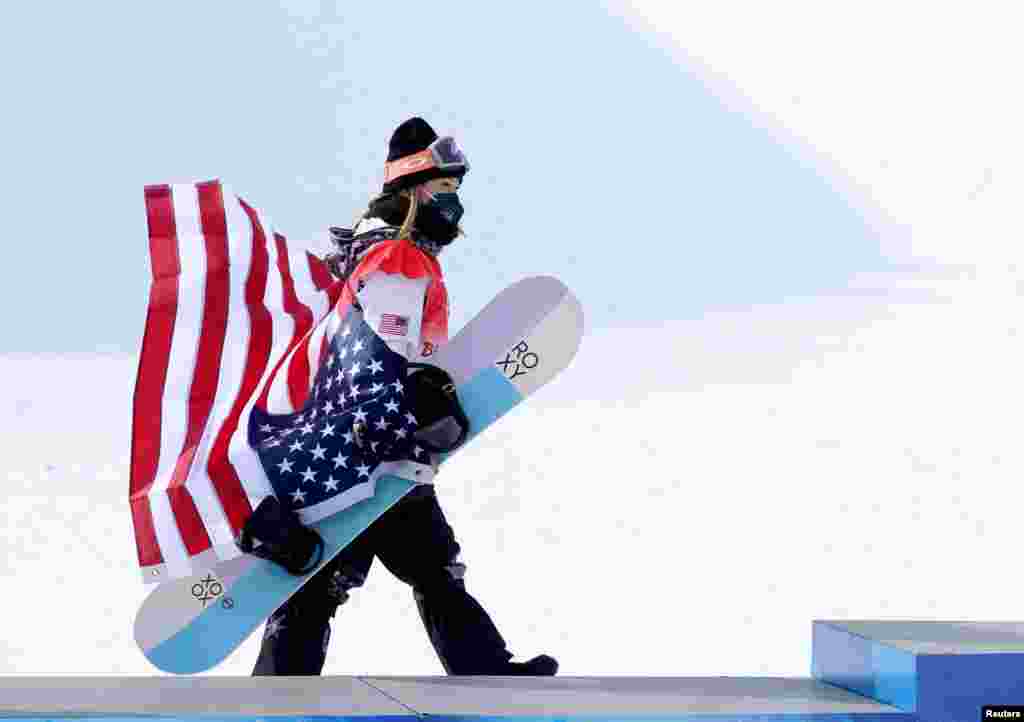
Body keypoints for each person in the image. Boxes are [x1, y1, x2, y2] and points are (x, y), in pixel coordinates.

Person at [250, 117, 559, 677]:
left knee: (428, 563)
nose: (453, 204)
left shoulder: (374, 251)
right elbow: (385, 341)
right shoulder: (397, 256)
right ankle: (278, 696)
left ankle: (481, 668)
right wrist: (401, 403)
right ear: (415, 188)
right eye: (444, 190)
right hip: (369, 447)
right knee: (335, 580)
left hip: (380, 446)